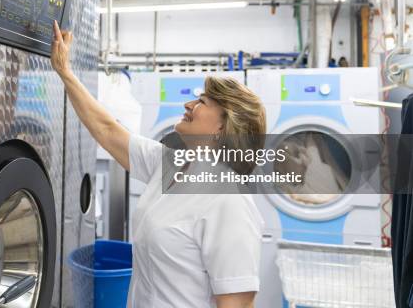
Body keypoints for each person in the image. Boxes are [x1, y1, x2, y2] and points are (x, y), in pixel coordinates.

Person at [51, 21, 265, 308]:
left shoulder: (229, 201)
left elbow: (237, 305)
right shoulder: (171, 163)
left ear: (222, 128)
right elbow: (107, 130)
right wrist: (65, 72)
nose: (189, 105)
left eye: (201, 102)